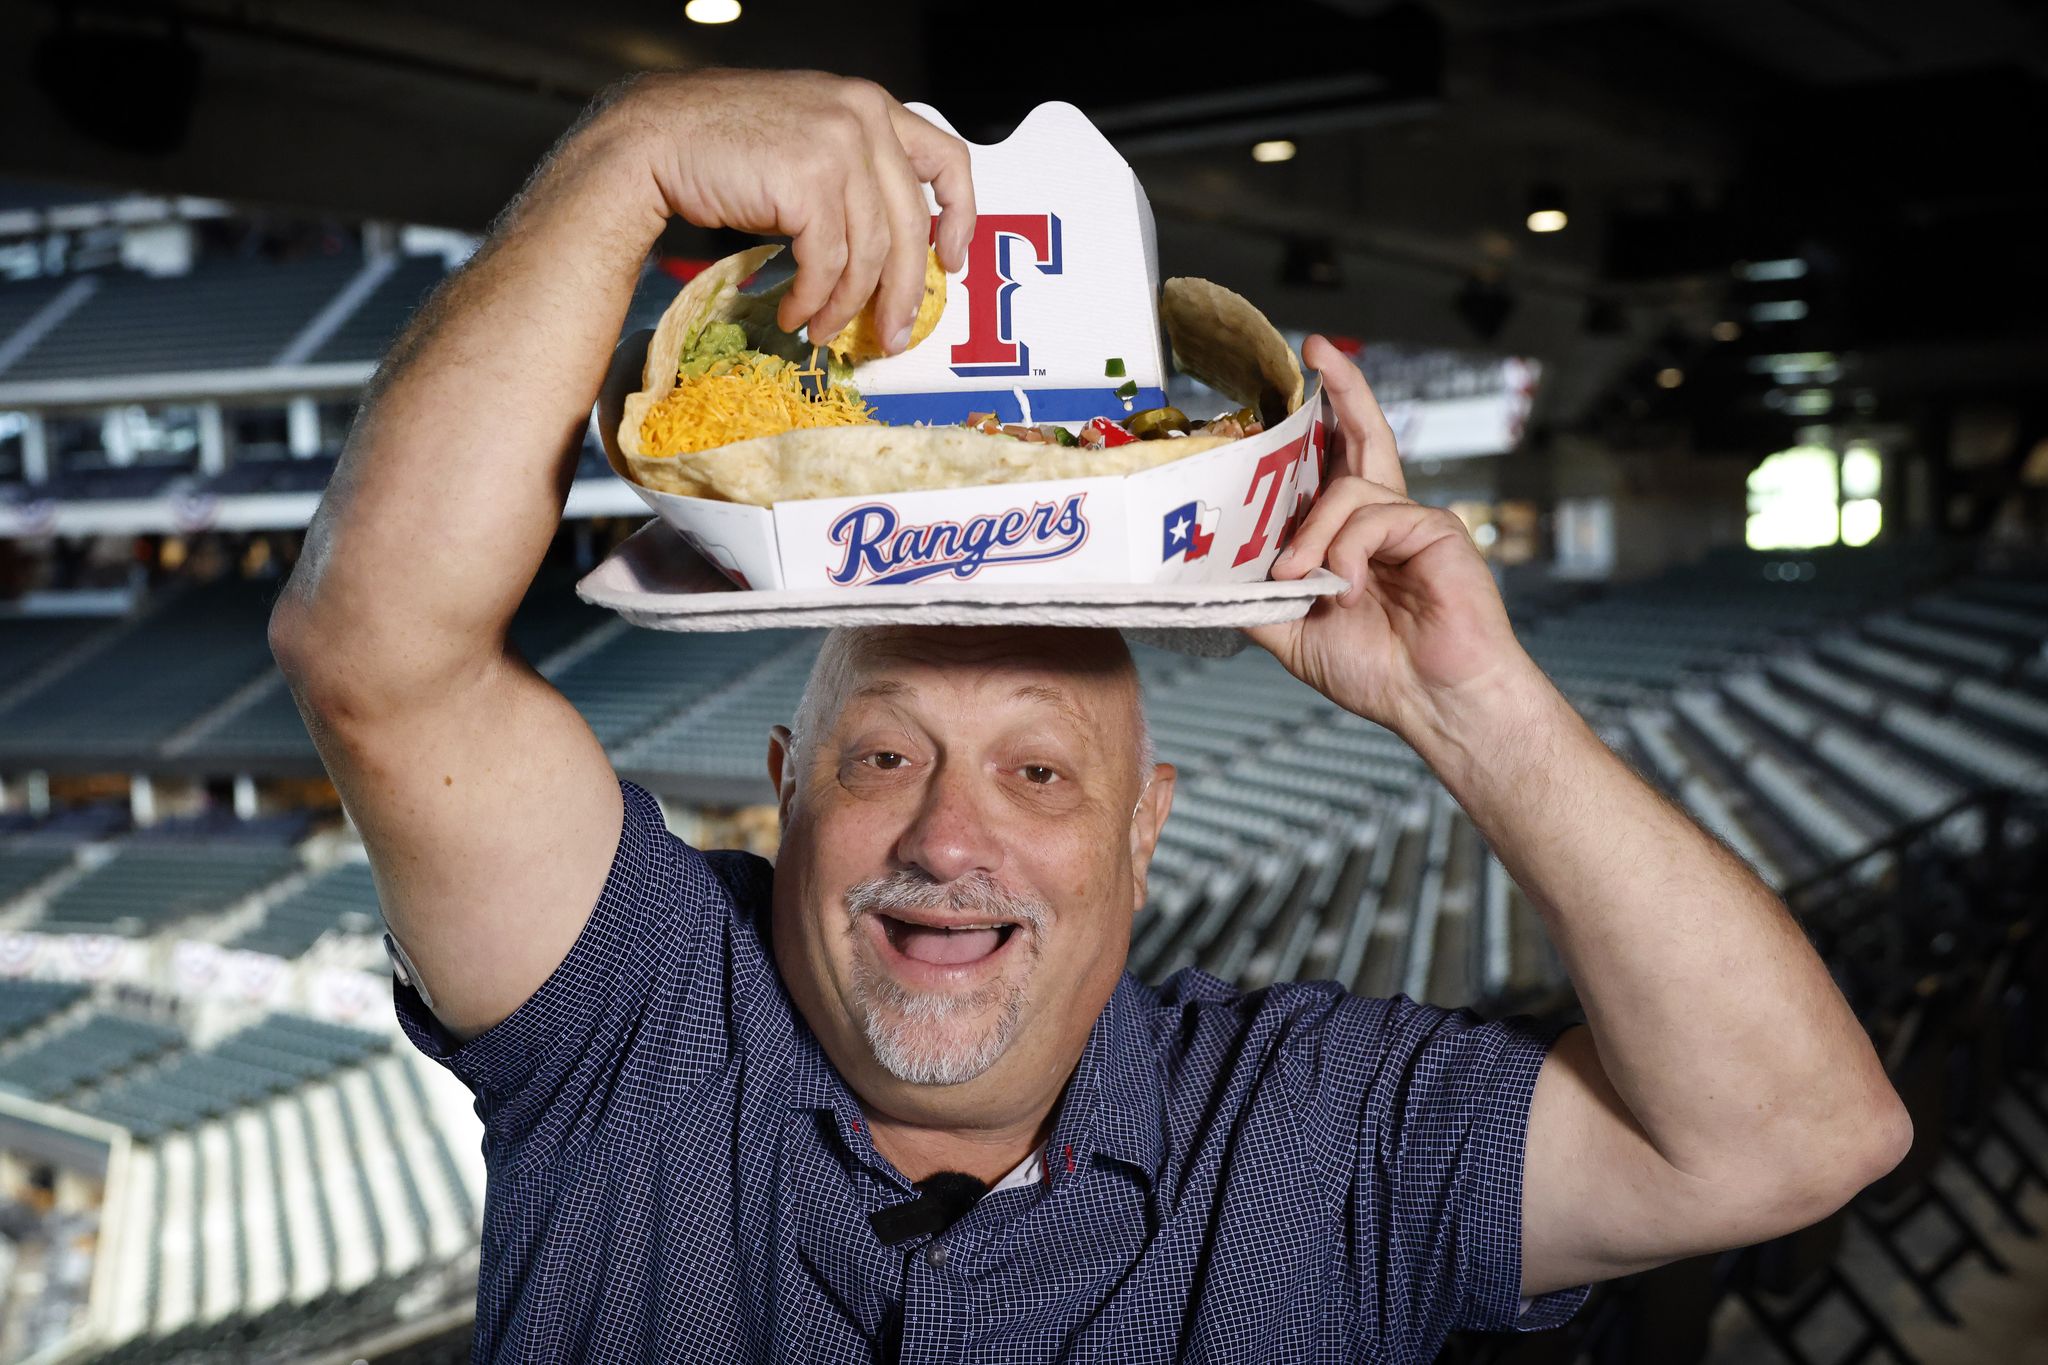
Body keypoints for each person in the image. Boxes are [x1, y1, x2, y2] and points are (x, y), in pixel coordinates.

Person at [270, 67, 1912, 1363]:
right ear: (784, 791)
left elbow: (1793, 1137)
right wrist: (628, 156)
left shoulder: (1315, 1129)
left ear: (1150, 826)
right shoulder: (638, 1013)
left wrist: (1471, 710)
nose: (948, 835)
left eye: (1042, 769)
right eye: (883, 753)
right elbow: (375, 645)